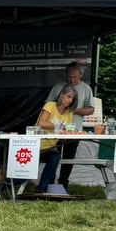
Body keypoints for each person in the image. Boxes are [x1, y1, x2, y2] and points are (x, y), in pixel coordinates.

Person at [45, 62, 95, 191]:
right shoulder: (58, 87)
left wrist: (73, 109)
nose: (72, 79)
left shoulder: (86, 88)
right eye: (69, 77)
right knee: (53, 156)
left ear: (81, 75)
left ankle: (63, 184)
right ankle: (49, 183)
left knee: (68, 158)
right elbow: (48, 105)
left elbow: (91, 110)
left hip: (75, 130)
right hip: (55, 130)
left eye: (75, 77)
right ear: (66, 74)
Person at [34, 85, 78, 193]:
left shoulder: (69, 113)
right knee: (20, 178)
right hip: (35, 145)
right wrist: (59, 126)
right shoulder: (50, 105)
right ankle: (0, 188)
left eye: (72, 98)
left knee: (55, 157)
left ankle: (42, 189)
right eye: (68, 96)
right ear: (61, 95)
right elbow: (41, 123)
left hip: (50, 147)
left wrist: (66, 136)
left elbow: (62, 136)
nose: (70, 100)